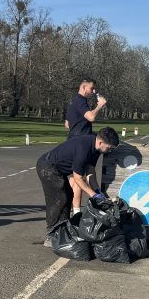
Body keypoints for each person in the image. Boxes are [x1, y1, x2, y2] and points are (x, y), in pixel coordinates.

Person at [37, 127, 120, 247]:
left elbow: (91, 171)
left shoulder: (97, 150)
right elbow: (78, 178)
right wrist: (93, 195)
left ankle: (63, 231)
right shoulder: (84, 148)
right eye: (109, 148)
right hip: (47, 167)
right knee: (59, 199)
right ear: (101, 142)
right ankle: (51, 235)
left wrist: (97, 190)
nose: (109, 151)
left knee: (68, 197)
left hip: (58, 171)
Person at [65, 77, 108, 214]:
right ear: (84, 87)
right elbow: (91, 117)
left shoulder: (73, 101)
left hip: (79, 140)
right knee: (78, 178)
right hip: (80, 143)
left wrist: (78, 127)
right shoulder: (80, 101)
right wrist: (100, 105)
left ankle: (98, 197)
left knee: (89, 171)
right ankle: (76, 211)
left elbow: (67, 123)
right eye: (91, 88)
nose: (93, 91)